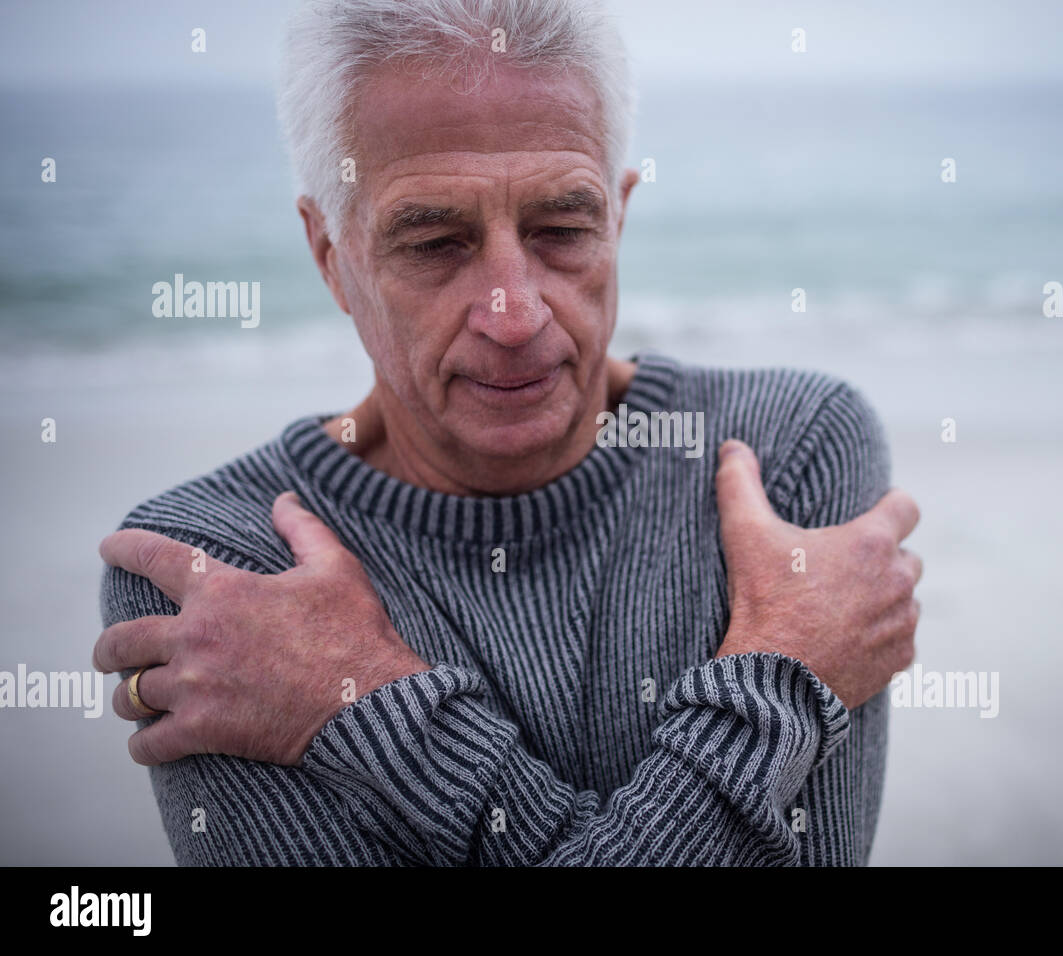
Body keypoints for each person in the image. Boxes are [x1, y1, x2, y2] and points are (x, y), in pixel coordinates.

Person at [94, 0, 921, 866]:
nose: (515, 315)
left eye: (562, 230)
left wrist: (360, 711)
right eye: (436, 243)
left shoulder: (789, 453)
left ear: (620, 216)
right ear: (329, 254)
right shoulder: (218, 574)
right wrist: (782, 682)